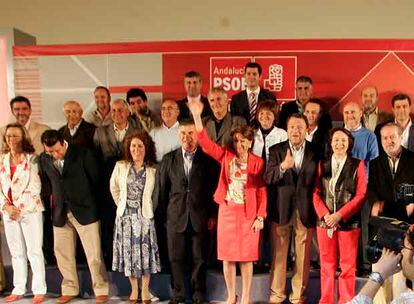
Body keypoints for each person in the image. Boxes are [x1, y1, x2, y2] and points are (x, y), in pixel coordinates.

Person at [189, 99, 267, 304]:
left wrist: (260, 215)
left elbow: (261, 190)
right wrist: (197, 116)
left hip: (248, 213)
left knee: (247, 258)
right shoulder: (226, 157)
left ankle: (247, 297)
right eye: (236, 141)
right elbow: (205, 144)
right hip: (227, 212)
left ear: (250, 142)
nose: (239, 145)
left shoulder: (258, 163)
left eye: (243, 141)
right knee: (228, 257)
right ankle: (232, 295)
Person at [39, 130, 109, 304]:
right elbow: (48, 184)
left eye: (57, 150)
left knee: (94, 254)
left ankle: (101, 289)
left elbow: (97, 181)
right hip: (60, 212)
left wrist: (93, 205)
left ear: (63, 142)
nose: (54, 155)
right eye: (50, 152)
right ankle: (69, 288)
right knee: (62, 253)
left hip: (85, 210)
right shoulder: (44, 158)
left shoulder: (84, 153)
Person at [153, 119, 216, 304]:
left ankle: (198, 293)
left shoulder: (207, 160)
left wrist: (212, 215)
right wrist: (165, 216)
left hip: (200, 217)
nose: (187, 138)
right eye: (183, 134)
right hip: (175, 217)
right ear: (178, 135)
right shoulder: (168, 159)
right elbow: (162, 190)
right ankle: (178, 293)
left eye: (191, 133)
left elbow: (213, 190)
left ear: (197, 135)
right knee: (175, 258)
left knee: (199, 258)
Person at [264, 114, 319, 304]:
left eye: (300, 127)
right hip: (280, 209)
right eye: (292, 127)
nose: (296, 131)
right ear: (287, 129)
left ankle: (298, 297)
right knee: (278, 255)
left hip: (306, 210)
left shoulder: (316, 150)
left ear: (307, 129)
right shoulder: (276, 150)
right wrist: (282, 167)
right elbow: (268, 177)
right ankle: (277, 295)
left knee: (303, 258)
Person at [313, 128, 367, 304]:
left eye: (343, 140)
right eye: (336, 140)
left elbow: (361, 195)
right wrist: (326, 215)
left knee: (347, 266)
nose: (339, 144)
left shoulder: (357, 164)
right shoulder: (322, 164)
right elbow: (315, 193)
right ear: (331, 143)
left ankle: (346, 301)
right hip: (325, 223)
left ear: (349, 143)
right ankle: (326, 300)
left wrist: (340, 215)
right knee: (326, 265)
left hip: (348, 223)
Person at [110, 130, 160, 303]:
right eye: (133, 146)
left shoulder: (153, 169)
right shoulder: (120, 166)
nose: (136, 149)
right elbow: (114, 189)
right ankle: (133, 290)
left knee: (145, 256)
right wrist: (123, 205)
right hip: (125, 218)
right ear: (128, 147)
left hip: (145, 217)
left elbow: (156, 195)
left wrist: (146, 211)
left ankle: (145, 291)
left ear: (146, 148)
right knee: (129, 255)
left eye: (140, 146)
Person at [0, 123, 46, 303]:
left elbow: (35, 187)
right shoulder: (2, 160)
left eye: (15, 136)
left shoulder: (32, 159)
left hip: (29, 211)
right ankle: (18, 287)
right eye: (9, 136)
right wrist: (7, 207)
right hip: (8, 211)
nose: (12, 140)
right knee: (16, 252)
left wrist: (17, 208)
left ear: (23, 138)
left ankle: (39, 289)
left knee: (34, 251)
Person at [368, 123, 414, 303]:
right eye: (385, 138)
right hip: (383, 227)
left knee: (402, 277)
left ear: (400, 137)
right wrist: (376, 203)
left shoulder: (412, 159)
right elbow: (371, 191)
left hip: (408, 228)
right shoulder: (375, 163)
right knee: (381, 274)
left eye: (392, 136)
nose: (389, 141)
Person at [347, 228, 414, 304]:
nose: (401, 252)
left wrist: (378, 275)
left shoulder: (405, 300)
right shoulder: (406, 298)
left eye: (403, 247)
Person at [230, 62, 277, 128]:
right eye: (248, 74)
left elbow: (275, 120)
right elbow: (233, 122)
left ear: (260, 76)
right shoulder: (236, 99)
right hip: (243, 135)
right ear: (244, 76)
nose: (251, 77)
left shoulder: (270, 97)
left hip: (264, 136)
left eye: (254, 74)